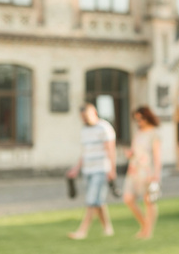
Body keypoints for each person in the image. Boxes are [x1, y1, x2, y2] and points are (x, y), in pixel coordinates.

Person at [67, 103, 117, 240]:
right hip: (87, 169)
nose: (84, 119)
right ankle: (108, 228)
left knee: (91, 200)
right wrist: (76, 169)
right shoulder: (84, 130)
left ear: (94, 112)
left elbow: (110, 150)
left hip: (101, 169)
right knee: (98, 201)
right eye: (82, 117)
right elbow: (85, 152)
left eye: (86, 116)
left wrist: (112, 169)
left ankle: (82, 231)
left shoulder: (104, 128)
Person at [123, 106, 162, 239]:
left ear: (147, 117)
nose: (138, 121)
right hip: (134, 169)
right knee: (128, 198)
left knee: (149, 201)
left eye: (140, 118)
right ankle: (145, 225)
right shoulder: (138, 133)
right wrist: (129, 154)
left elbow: (157, 156)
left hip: (147, 170)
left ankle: (148, 231)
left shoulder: (154, 133)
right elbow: (134, 150)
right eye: (136, 119)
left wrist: (156, 173)